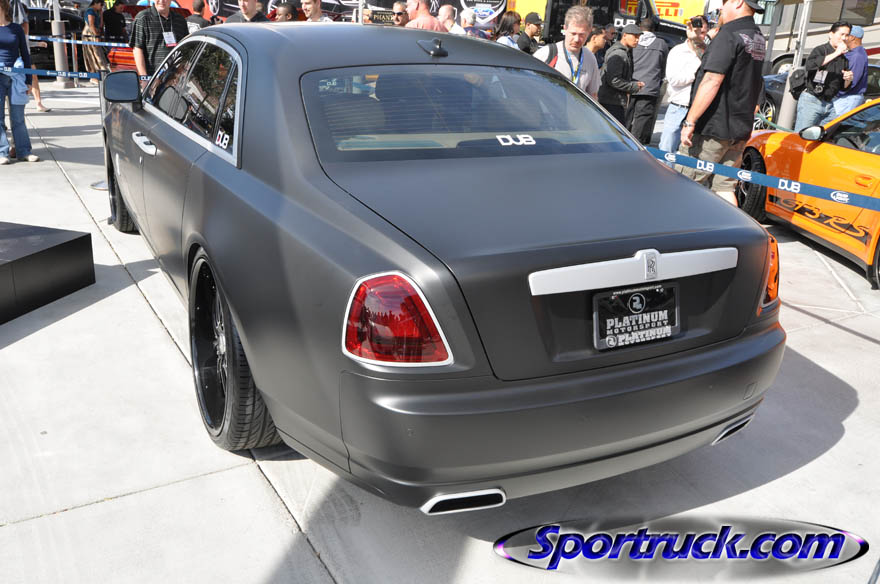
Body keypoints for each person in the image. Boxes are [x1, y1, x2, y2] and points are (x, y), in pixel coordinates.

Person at [678, 0, 766, 207]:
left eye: (724, 3)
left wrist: (690, 121)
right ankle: (730, 227)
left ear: (738, 2)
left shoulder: (729, 33)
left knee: (686, 183)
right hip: (740, 128)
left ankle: (681, 227)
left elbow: (712, 80)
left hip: (713, 127)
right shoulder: (757, 36)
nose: (720, 8)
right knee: (724, 188)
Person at [658, 15, 707, 161]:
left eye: (703, 32)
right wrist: (697, 73)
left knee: (692, 154)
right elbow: (674, 79)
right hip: (679, 107)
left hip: (700, 109)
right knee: (667, 152)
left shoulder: (709, 52)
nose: (700, 34)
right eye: (697, 30)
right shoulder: (678, 51)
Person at [794, 21, 850, 132]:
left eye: (847, 35)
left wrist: (848, 79)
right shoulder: (820, 50)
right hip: (812, 100)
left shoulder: (844, 59)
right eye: (842, 34)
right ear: (831, 34)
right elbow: (810, 66)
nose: (844, 38)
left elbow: (843, 87)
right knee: (801, 136)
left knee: (825, 135)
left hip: (829, 104)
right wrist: (837, 52)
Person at [0, 0, 38, 163]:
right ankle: (2, 152)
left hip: (16, 77)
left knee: (18, 117)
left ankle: (24, 151)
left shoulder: (16, 28)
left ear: (3, 7)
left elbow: (25, 53)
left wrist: (28, 80)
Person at [534, 7, 600, 99]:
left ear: (589, 32)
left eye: (582, 35)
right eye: (573, 33)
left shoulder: (590, 58)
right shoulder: (545, 54)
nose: (577, 39)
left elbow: (593, 95)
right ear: (565, 29)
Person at [627, 17, 668, 144]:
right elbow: (664, 66)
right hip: (650, 86)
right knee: (642, 118)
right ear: (654, 29)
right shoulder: (661, 44)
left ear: (640, 27)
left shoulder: (633, 41)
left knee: (626, 116)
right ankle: (636, 144)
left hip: (630, 85)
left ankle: (622, 141)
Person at [598, 23, 644, 123]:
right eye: (635, 36)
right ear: (625, 35)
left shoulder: (625, 52)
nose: (637, 40)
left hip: (614, 101)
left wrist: (634, 83)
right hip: (611, 102)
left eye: (638, 37)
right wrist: (633, 86)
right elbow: (614, 80)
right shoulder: (619, 53)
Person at [129, 0, 188, 78]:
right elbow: (137, 49)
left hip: (175, 80)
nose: (161, 1)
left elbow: (186, 50)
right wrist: (144, 78)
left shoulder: (180, 20)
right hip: (152, 79)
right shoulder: (143, 18)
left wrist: (180, 75)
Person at [11, 0, 47, 112]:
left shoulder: (19, 27)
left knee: (33, 76)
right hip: (19, 54)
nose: (25, 18)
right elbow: (24, 43)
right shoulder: (17, 27)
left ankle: (38, 102)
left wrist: (37, 44)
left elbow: (25, 42)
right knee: (29, 77)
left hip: (24, 54)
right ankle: (38, 103)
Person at [833, 25, 868, 118]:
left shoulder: (857, 55)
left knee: (833, 124)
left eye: (846, 35)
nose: (843, 38)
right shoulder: (854, 53)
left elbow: (853, 80)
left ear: (852, 37)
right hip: (846, 98)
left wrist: (836, 93)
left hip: (847, 98)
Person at [83, 0, 110, 83]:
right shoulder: (90, 11)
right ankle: (93, 76)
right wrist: (97, 36)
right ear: (95, 3)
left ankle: (99, 76)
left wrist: (101, 13)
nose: (102, 6)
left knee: (99, 55)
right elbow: (91, 25)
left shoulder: (97, 12)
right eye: (101, 4)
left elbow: (101, 25)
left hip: (96, 33)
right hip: (90, 35)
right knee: (93, 55)